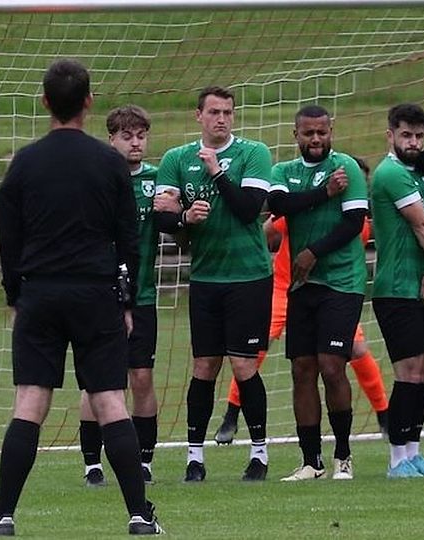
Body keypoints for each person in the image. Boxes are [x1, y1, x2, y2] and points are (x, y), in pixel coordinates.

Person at [0, 58, 162, 535]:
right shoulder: (109, 163)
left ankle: (3, 516)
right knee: (109, 400)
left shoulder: (25, 162)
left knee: (30, 401)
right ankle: (139, 516)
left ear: (45, 102)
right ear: (88, 101)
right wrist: (125, 299)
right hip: (95, 294)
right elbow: (128, 239)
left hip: (40, 293)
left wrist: (15, 294)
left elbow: (10, 235)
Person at [212, 157, 389, 447]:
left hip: (335, 291)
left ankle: (384, 415)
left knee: (356, 349)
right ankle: (231, 414)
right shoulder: (302, 207)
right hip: (286, 286)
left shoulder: (361, 222)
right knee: (256, 348)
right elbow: (266, 230)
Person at [153, 86, 274, 482]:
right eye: (214, 112)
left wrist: (218, 173)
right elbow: (162, 217)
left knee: (243, 365)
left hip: (249, 276)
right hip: (205, 279)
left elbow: (248, 210)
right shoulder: (176, 159)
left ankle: (259, 454)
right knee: (204, 366)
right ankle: (194, 457)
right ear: (198, 116)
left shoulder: (253, 153)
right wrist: (186, 218)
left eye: (228, 112)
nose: (221, 119)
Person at [259, 104, 368, 481]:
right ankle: (311, 462)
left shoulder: (347, 168)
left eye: (322, 132)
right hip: (302, 286)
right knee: (301, 370)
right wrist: (324, 192)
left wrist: (312, 251)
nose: (316, 139)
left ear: (331, 131)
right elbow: (278, 205)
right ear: (296, 135)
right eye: (309, 133)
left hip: (342, 282)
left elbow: (353, 224)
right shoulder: (283, 172)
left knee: (331, 365)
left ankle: (343, 456)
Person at [371, 103, 424, 479]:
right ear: (390, 135)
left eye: (419, 135)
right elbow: (420, 226)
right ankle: (396, 460)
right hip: (395, 288)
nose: (413, 142)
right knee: (407, 371)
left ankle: (415, 453)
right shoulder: (390, 173)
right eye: (406, 134)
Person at [79, 105, 162, 488]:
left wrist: (181, 216)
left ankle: (144, 460)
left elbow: (176, 227)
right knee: (96, 382)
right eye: (127, 136)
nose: (135, 143)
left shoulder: (158, 182)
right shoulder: (94, 178)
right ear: (111, 138)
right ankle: (92, 463)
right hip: (98, 296)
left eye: (141, 136)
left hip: (142, 295)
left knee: (141, 377)